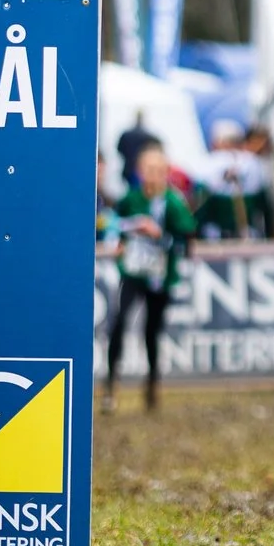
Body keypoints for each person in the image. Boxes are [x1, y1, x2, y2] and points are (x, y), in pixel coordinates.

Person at [106, 140, 195, 412]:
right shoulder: (131, 199)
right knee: (119, 322)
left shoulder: (173, 203)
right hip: (133, 271)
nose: (154, 174)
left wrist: (161, 236)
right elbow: (116, 226)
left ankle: (152, 384)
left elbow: (186, 240)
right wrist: (119, 244)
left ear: (166, 171)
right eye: (148, 169)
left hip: (160, 275)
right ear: (139, 170)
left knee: (151, 331)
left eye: (159, 169)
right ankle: (111, 386)